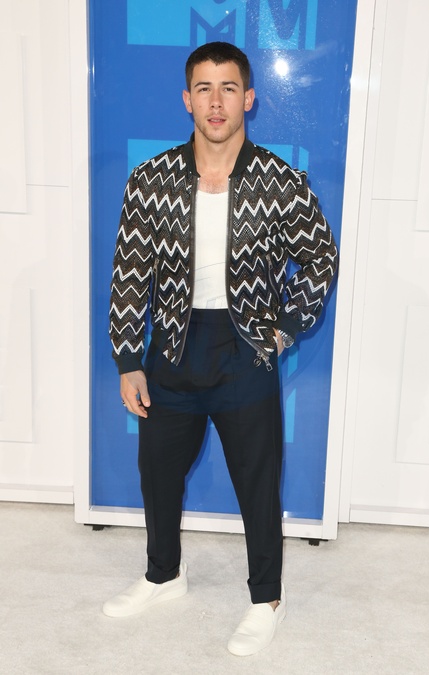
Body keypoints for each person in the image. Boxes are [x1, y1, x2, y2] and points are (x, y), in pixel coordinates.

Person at [105, 41, 338, 656]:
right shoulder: (150, 180)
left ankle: (267, 600)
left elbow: (320, 258)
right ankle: (163, 575)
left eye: (228, 88)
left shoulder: (280, 182)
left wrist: (283, 328)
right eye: (204, 89)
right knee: (157, 474)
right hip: (171, 349)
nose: (216, 102)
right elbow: (129, 274)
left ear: (248, 99)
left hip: (245, 352)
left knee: (258, 483)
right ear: (187, 99)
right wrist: (128, 358)